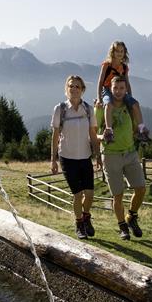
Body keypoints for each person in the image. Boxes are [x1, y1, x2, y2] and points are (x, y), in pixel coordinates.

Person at [51, 75, 101, 240]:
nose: (74, 89)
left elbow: (93, 134)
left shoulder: (87, 109)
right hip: (67, 158)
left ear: (82, 90)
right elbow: (55, 136)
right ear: (66, 89)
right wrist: (53, 160)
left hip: (85, 157)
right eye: (71, 86)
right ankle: (79, 223)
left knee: (90, 194)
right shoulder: (60, 109)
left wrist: (98, 156)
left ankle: (86, 216)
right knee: (78, 194)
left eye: (77, 86)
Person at [97, 75, 146, 240]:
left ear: (126, 90)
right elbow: (93, 134)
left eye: (121, 88)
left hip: (130, 153)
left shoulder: (130, 107)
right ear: (110, 89)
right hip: (111, 156)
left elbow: (135, 128)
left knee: (141, 189)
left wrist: (140, 132)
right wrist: (101, 137)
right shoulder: (101, 108)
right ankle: (122, 227)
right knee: (117, 195)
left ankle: (131, 217)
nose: (118, 92)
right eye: (115, 88)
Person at [95, 41, 149, 144]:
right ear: (112, 52)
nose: (119, 53)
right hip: (107, 89)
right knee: (109, 105)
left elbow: (127, 83)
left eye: (121, 51)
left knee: (135, 104)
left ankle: (141, 129)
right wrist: (99, 98)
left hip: (121, 89)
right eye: (117, 51)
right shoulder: (106, 65)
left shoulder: (124, 67)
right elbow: (100, 82)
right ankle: (109, 130)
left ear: (124, 53)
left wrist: (130, 97)